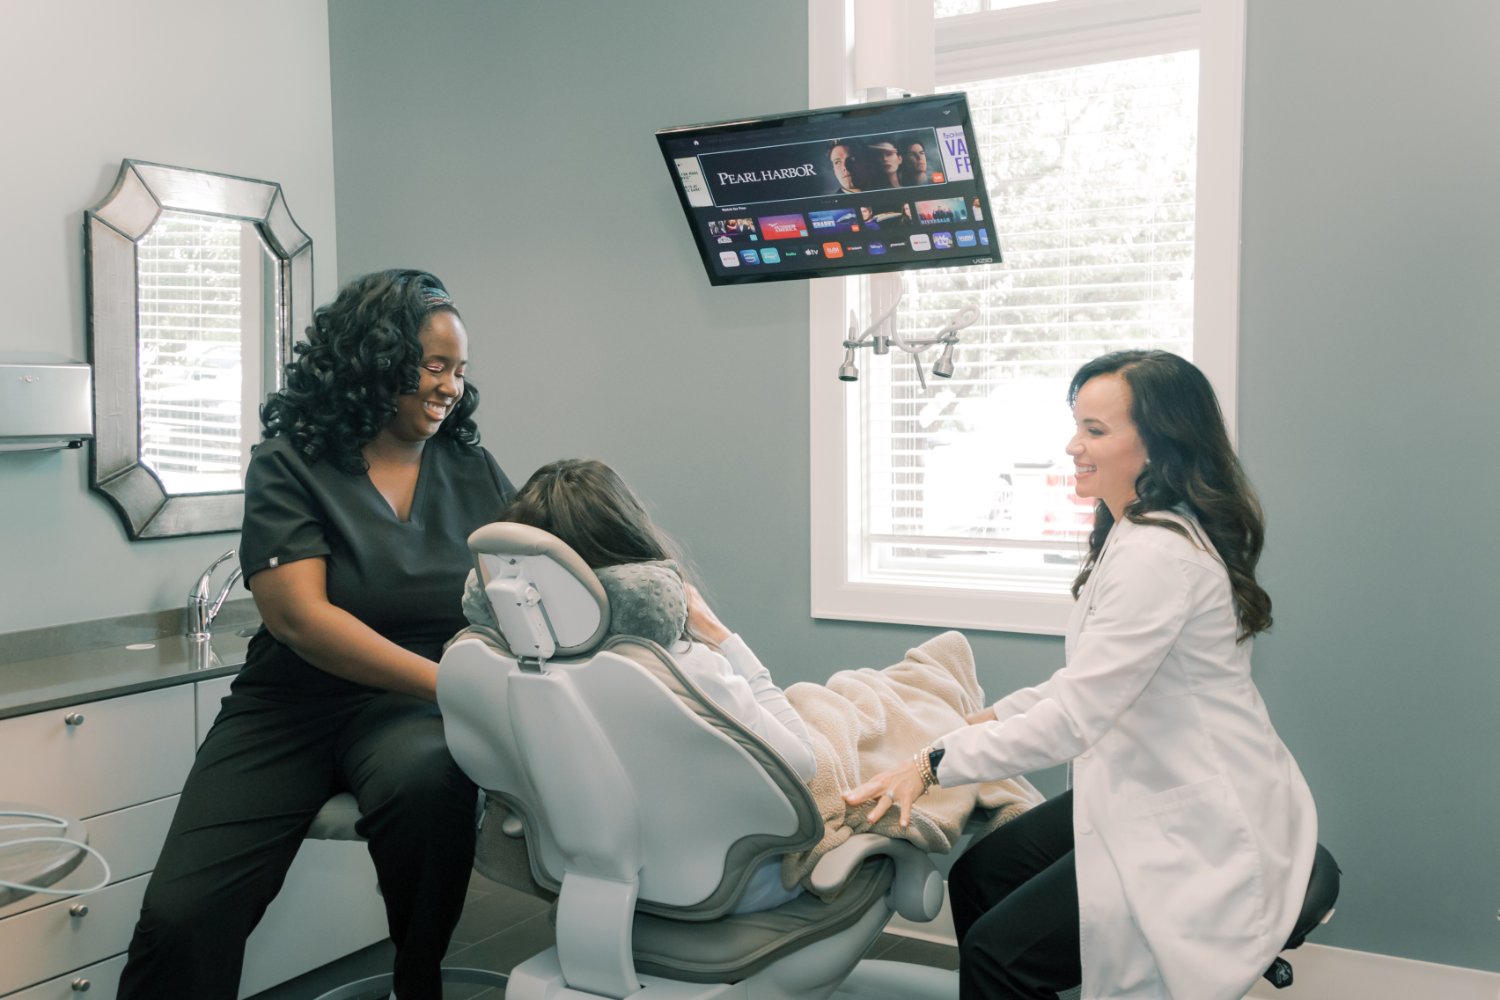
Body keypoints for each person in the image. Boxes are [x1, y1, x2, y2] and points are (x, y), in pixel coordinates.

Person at [847, 350, 1317, 1000]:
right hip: (1142, 783)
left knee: (997, 956)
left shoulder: (1158, 555)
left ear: (1158, 445)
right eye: (1078, 426)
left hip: (1196, 818)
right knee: (981, 875)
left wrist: (930, 764)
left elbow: (1077, 718)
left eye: (1095, 430)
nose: (1073, 445)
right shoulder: (1131, 533)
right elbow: (1092, 681)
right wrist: (990, 718)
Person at [118, 270, 517, 1000]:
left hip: (409, 711)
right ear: (375, 358)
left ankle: (417, 981)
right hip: (289, 709)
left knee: (429, 782)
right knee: (182, 914)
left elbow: (532, 573)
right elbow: (301, 618)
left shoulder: (471, 467)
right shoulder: (289, 463)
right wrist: (456, 687)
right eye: (434, 366)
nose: (450, 387)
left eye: (459, 371)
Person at [492, 458, 816, 910]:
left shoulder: (505, 669)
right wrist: (721, 637)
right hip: (732, 886)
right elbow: (801, 763)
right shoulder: (686, 667)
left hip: (585, 882)